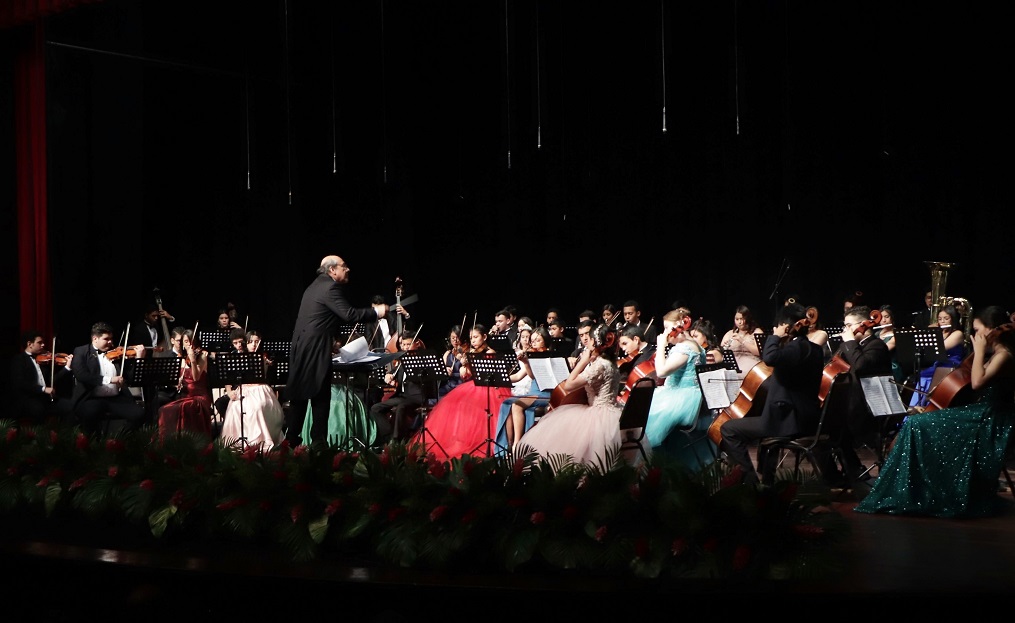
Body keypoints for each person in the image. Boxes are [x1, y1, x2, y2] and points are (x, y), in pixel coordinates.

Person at [855, 319, 1015, 518]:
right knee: (916, 421)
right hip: (981, 413)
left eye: (976, 330)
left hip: (990, 419)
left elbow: (977, 383)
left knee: (917, 423)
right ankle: (917, 490)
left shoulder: (1004, 355)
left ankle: (920, 493)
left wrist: (980, 349)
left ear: (991, 330)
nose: (974, 334)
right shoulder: (998, 354)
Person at [286, 255, 389, 448]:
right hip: (314, 351)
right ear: (332, 270)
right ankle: (318, 446)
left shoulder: (314, 286)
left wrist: (330, 341)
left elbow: (318, 320)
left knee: (300, 399)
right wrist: (376, 312)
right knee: (320, 398)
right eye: (344, 266)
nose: (347, 269)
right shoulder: (330, 287)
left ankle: (290, 445)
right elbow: (349, 315)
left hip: (303, 349)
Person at [719, 303, 824, 485]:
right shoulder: (814, 349)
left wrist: (775, 336)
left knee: (728, 429)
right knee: (763, 424)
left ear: (787, 326)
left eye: (779, 325)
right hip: (807, 418)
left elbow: (769, 358)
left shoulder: (794, 348)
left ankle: (750, 482)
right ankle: (767, 481)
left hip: (787, 422)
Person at [515, 323, 624, 467]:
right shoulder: (611, 363)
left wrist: (583, 361)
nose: (586, 342)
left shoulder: (600, 365)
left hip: (598, 413)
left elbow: (569, 385)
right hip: (613, 411)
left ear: (595, 343)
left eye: (589, 339)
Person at [815, 306, 893, 491]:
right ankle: (848, 472)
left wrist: (850, 342)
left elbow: (860, 366)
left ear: (863, 325)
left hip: (870, 409)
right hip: (851, 406)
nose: (846, 330)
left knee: (822, 431)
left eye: (849, 325)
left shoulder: (876, 345)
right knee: (820, 430)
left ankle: (846, 473)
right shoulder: (851, 346)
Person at [408, 323, 511, 460]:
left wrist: (469, 366)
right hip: (473, 385)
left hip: (489, 387)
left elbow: (489, 373)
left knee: (479, 408)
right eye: (471, 337)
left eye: (476, 337)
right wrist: (465, 367)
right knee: (456, 404)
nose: (473, 340)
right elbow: (466, 376)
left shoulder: (490, 352)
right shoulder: (470, 353)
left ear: (484, 337)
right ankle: (458, 440)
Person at [69, 322, 148, 437]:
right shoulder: (81, 351)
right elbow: (81, 375)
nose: (110, 342)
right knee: (89, 415)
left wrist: (139, 359)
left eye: (111, 338)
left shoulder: (117, 353)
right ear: (95, 339)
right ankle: (94, 444)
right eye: (106, 339)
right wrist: (110, 379)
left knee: (139, 414)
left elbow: (131, 377)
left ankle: (120, 439)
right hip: (91, 398)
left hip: (116, 398)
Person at [644, 309, 706, 449]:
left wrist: (661, 346)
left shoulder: (684, 348)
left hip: (681, 398)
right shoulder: (695, 344)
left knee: (647, 416)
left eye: (667, 328)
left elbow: (661, 372)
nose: (665, 332)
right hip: (689, 395)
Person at [219, 330, 285, 451]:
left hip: (260, 389)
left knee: (258, 407)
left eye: (256, 342)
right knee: (235, 409)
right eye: (250, 342)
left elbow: (265, 375)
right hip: (243, 389)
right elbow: (228, 378)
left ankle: (261, 441)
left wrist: (266, 364)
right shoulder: (237, 356)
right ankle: (238, 443)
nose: (254, 345)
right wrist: (229, 392)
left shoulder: (261, 356)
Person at [498, 326, 554, 454]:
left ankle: (517, 445)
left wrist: (527, 362)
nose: (533, 343)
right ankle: (508, 444)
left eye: (537, 340)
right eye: (532, 340)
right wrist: (500, 377)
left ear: (545, 341)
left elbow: (534, 376)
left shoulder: (548, 357)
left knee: (517, 405)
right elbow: (518, 376)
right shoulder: (532, 356)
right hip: (533, 393)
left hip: (544, 394)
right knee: (506, 403)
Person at [369, 331, 427, 445]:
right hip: (403, 396)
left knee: (401, 407)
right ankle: (387, 435)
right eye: (403, 344)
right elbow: (393, 373)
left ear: (417, 344)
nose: (405, 347)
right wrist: (388, 375)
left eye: (408, 344)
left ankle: (396, 440)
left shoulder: (423, 359)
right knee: (375, 408)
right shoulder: (401, 360)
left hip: (416, 397)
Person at [156, 331, 214, 441]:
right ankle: (173, 443)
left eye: (191, 342)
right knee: (164, 409)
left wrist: (193, 361)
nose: (189, 345)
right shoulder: (181, 357)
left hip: (199, 397)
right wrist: (178, 382)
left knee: (183, 407)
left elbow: (196, 377)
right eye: (186, 342)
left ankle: (190, 442)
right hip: (185, 396)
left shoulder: (202, 356)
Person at [908, 304, 965, 409]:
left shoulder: (958, 334)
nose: (942, 321)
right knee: (922, 374)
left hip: (951, 367)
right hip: (938, 365)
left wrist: (930, 333)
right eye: (940, 319)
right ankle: (916, 408)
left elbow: (941, 348)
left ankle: (926, 407)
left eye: (946, 318)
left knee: (926, 375)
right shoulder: (939, 332)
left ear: (953, 319)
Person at [11, 330, 74, 424]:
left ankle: (64, 435)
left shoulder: (43, 360)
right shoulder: (19, 360)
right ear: (30, 344)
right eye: (40, 342)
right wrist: (43, 389)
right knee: (39, 410)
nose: (43, 345)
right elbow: (21, 383)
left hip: (46, 399)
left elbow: (52, 380)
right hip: (29, 399)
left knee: (70, 406)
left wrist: (67, 367)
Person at [718, 305, 765, 381]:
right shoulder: (729, 333)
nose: (739, 322)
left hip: (751, 369)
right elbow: (720, 354)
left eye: (742, 319)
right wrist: (723, 348)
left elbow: (759, 352)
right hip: (732, 368)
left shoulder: (757, 332)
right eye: (737, 319)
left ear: (748, 319)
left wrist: (742, 340)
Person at [438, 324, 467, 398]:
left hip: (462, 385)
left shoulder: (466, 352)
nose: (455, 340)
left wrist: (463, 361)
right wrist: (445, 370)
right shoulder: (447, 353)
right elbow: (441, 370)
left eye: (458, 337)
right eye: (453, 338)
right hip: (449, 384)